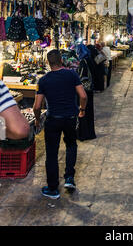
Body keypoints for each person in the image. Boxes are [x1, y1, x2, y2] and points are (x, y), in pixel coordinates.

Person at [33, 49, 87, 200]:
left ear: (48, 63)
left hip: (53, 119)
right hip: (70, 117)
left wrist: (37, 119)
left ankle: (52, 188)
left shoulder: (43, 80)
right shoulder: (72, 75)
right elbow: (83, 95)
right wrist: (81, 110)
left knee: (51, 153)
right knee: (71, 145)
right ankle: (69, 178)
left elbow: (37, 106)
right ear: (61, 60)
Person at [77, 44, 97, 141]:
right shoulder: (89, 59)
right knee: (89, 112)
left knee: (83, 110)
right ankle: (89, 133)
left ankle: (83, 134)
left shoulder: (83, 62)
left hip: (84, 90)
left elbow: (81, 76)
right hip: (90, 89)